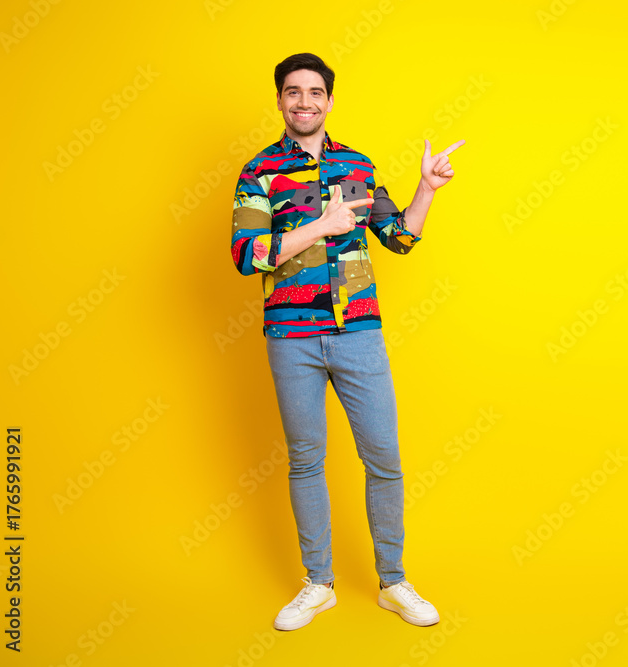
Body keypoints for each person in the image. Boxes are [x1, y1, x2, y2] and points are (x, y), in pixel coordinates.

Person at [229, 52, 464, 631]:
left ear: (330, 101)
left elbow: (400, 237)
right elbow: (247, 255)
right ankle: (318, 583)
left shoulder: (358, 165)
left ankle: (393, 582)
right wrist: (319, 227)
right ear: (280, 100)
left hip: (358, 331)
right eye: (293, 92)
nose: (304, 101)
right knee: (306, 459)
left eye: (314, 92)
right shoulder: (258, 173)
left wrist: (427, 190)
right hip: (292, 336)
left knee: (383, 458)